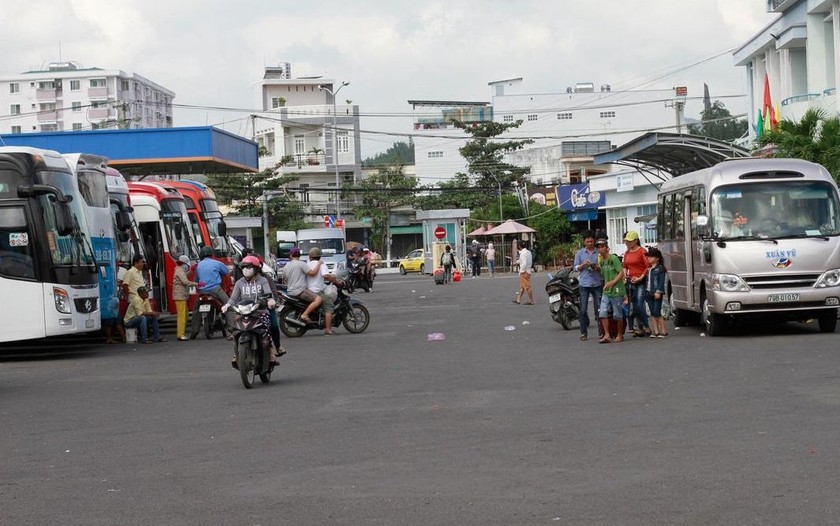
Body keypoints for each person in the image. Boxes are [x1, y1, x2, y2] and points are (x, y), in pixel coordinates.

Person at [222, 255, 282, 369]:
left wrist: (270, 300)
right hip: (243, 311)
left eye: (248, 267)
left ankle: (270, 353)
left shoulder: (263, 280)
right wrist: (227, 305)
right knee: (235, 330)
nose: (245, 269)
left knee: (267, 328)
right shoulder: (239, 283)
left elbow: (269, 293)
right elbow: (233, 298)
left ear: (255, 268)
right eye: (243, 267)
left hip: (260, 311)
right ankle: (237, 353)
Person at [190, 246, 235, 340]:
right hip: (216, 290)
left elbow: (196, 280)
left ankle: (194, 332)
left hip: (202, 291)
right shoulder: (217, 263)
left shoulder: (199, 265)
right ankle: (232, 331)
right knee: (229, 306)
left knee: (196, 310)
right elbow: (226, 271)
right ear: (211, 254)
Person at [573, 230, 604, 341]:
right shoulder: (580, 253)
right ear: (584, 241)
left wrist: (596, 267)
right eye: (587, 241)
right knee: (583, 309)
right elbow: (575, 267)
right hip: (584, 284)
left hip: (597, 283)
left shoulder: (599, 252)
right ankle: (583, 333)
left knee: (599, 309)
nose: (590, 243)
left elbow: (603, 266)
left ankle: (601, 332)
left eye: (591, 241)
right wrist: (582, 265)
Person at [304, 247, 342, 335]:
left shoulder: (307, 264)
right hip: (316, 291)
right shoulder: (321, 264)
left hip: (308, 290)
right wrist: (336, 281)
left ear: (310, 257)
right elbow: (326, 276)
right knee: (328, 305)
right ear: (319, 256)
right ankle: (328, 330)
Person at [596, 238, 626, 344]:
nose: (600, 249)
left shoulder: (613, 258)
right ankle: (607, 335)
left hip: (617, 290)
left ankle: (620, 334)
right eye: (598, 247)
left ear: (607, 248)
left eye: (602, 247)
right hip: (607, 291)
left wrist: (612, 283)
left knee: (617, 314)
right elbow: (604, 276)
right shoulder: (602, 262)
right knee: (602, 312)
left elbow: (621, 273)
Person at [284, 247, 325, 322]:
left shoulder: (286, 266)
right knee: (319, 299)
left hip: (290, 291)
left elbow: (285, 279)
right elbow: (312, 273)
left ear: (291, 255)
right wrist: (319, 263)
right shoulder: (302, 264)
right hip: (300, 291)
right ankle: (305, 314)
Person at [622, 231, 651, 338]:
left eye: (629, 241)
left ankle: (646, 326)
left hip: (640, 281)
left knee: (639, 304)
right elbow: (624, 266)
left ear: (635, 240)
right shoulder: (627, 253)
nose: (627, 243)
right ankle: (640, 327)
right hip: (631, 281)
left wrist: (640, 278)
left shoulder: (642, 251)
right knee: (633, 305)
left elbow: (647, 266)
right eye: (626, 241)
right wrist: (625, 274)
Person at [172, 254, 198, 341]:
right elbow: (185, 282)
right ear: (183, 263)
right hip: (180, 296)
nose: (187, 266)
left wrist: (191, 271)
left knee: (185, 315)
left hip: (181, 295)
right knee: (182, 316)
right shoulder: (179, 270)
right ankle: (180, 334)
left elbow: (185, 276)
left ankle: (181, 333)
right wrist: (197, 284)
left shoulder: (180, 270)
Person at [645, 247, 668, 338]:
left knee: (656, 311)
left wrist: (658, 291)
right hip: (649, 292)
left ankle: (663, 330)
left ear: (657, 258)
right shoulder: (650, 269)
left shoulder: (660, 269)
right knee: (652, 312)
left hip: (656, 293)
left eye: (651, 257)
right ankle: (656, 331)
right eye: (648, 257)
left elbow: (661, 282)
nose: (649, 258)